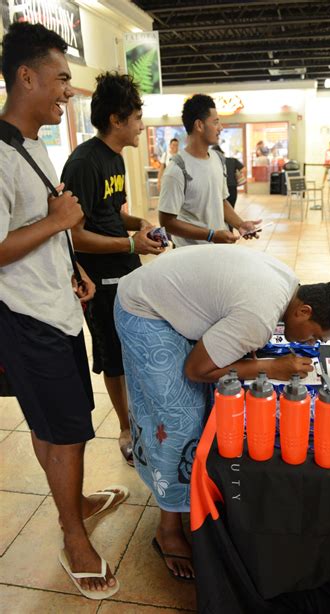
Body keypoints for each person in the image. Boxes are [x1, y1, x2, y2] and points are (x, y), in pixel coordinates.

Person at [114, 245, 330, 580]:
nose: (313, 343)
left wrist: (256, 360)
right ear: (303, 311)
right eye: (316, 336)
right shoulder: (258, 318)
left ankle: (192, 494)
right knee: (177, 419)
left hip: (157, 293)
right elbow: (196, 370)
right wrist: (271, 368)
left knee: (201, 401)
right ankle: (168, 530)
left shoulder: (288, 283)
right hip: (143, 310)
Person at [0, 22, 128, 600]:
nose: (67, 92)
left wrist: (69, 262)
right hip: (25, 318)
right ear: (26, 77)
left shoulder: (34, 146)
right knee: (67, 431)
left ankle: (71, 501)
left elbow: (46, 225)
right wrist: (57, 224)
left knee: (57, 424)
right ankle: (73, 534)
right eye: (60, 80)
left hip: (55, 306)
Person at [61, 72, 165, 466]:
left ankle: (140, 418)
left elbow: (109, 215)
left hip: (128, 273)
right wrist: (129, 242)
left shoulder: (116, 159)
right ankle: (125, 427)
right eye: (137, 116)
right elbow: (76, 236)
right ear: (117, 119)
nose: (142, 124)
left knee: (136, 350)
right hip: (99, 282)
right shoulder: (84, 163)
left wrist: (140, 225)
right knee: (113, 358)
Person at [159, 94, 260, 247]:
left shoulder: (218, 159)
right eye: (216, 122)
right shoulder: (177, 169)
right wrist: (211, 235)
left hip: (217, 251)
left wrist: (240, 224)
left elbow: (221, 201)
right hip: (190, 256)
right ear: (199, 125)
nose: (221, 128)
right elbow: (167, 223)